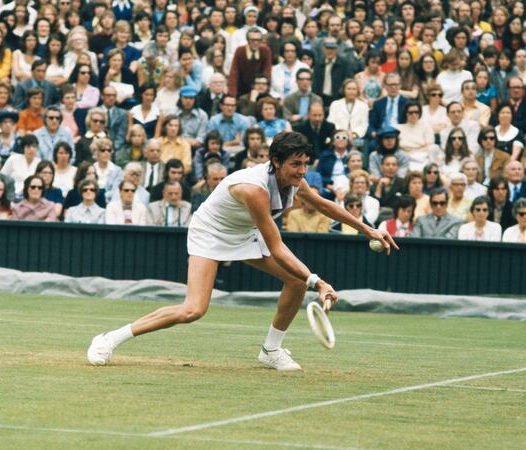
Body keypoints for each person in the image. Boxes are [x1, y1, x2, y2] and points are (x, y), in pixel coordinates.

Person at [86, 132, 397, 371]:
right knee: (193, 309)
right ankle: (110, 339)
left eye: (305, 164)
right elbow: (276, 246)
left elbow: (322, 204)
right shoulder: (254, 189)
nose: (302, 171)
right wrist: (320, 282)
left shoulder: (293, 179)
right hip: (211, 233)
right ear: (276, 162)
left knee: (295, 282)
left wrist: (368, 229)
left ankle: (271, 350)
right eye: (295, 164)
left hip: (243, 232)